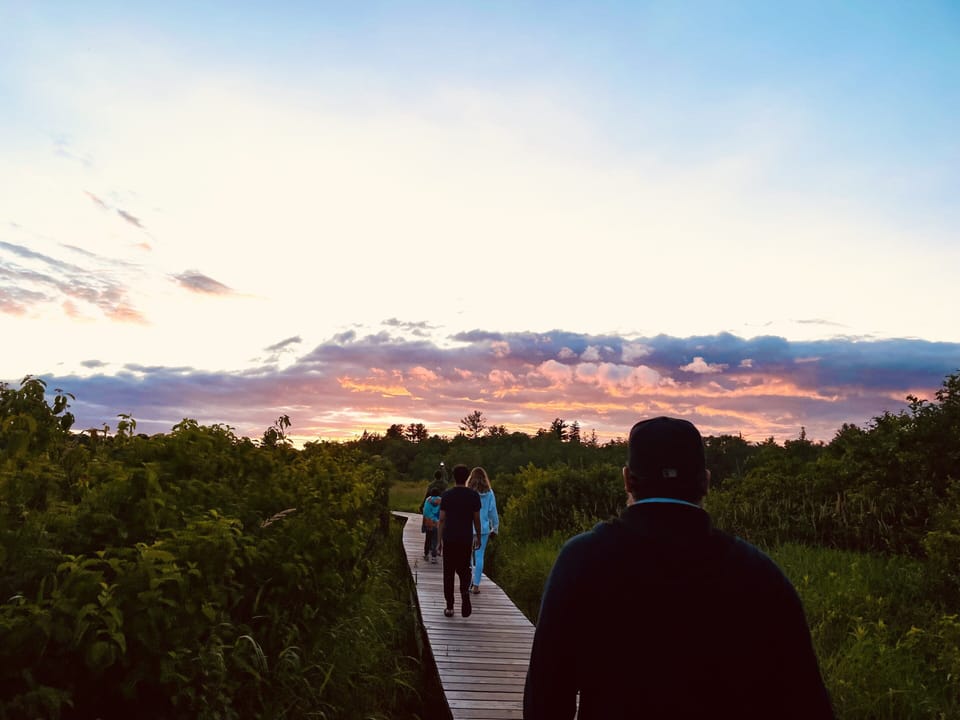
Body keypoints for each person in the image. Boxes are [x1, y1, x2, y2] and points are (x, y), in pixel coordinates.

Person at [524, 416, 834, 719]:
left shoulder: (581, 559)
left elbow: (547, 689)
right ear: (706, 482)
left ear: (627, 480)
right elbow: (805, 698)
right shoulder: (758, 572)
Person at [438, 464, 481, 618]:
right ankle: (464, 592)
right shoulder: (473, 496)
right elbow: (476, 519)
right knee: (465, 569)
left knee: (448, 572)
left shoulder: (447, 495)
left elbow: (442, 519)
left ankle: (449, 607)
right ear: (467, 477)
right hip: (465, 538)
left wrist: (438, 541)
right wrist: (478, 537)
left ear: (454, 477)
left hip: (449, 538)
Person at [466, 467, 499, 593]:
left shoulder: (468, 492)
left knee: (468, 557)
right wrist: (495, 528)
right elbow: (493, 512)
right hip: (484, 529)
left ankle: (468, 582)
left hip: (468, 528)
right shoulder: (489, 493)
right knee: (480, 556)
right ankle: (476, 586)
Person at [421, 490, 441, 563]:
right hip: (437, 523)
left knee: (428, 539)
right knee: (435, 540)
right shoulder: (441, 500)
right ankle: (434, 557)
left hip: (428, 523)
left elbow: (425, 512)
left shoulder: (427, 500)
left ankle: (426, 555)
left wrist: (423, 524)